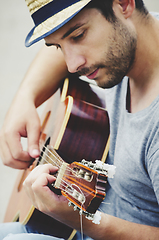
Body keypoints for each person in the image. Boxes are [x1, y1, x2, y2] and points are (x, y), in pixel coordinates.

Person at [0, 0, 159, 239]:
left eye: (78, 36)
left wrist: (86, 221)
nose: (72, 65)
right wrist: (25, 99)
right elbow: (64, 33)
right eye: (58, 47)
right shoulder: (137, 30)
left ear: (124, 4)